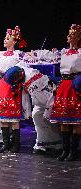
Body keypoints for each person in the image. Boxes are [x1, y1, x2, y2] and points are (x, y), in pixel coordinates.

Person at [0, 26, 30, 153]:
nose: (5, 40)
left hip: (13, 85)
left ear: (15, 41)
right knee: (2, 115)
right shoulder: (0, 55)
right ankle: (5, 143)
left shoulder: (18, 54)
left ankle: (15, 143)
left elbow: (23, 68)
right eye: (5, 38)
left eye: (8, 38)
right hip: (2, 85)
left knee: (13, 116)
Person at [50, 24, 81, 161]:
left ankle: (73, 152)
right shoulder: (63, 52)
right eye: (69, 34)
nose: (69, 36)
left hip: (76, 84)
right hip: (64, 85)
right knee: (63, 119)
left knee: (76, 120)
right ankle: (65, 150)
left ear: (79, 37)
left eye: (73, 34)